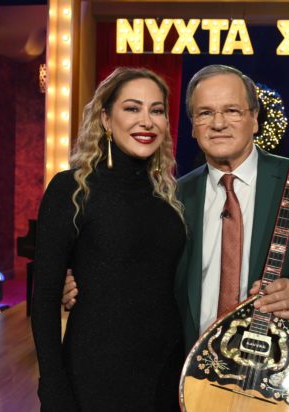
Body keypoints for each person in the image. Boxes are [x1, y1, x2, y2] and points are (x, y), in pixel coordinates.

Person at [64, 64, 289, 411]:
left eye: (232, 110)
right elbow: (143, 274)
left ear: (254, 119)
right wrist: (85, 283)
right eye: (205, 113)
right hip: (199, 378)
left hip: (284, 382)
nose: (218, 123)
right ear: (192, 126)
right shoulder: (172, 196)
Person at [31, 67, 186, 411]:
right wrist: (52, 388)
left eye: (156, 110)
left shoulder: (170, 197)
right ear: (105, 118)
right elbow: (43, 301)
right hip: (96, 372)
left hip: (167, 372)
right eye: (132, 108)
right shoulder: (71, 189)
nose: (146, 121)